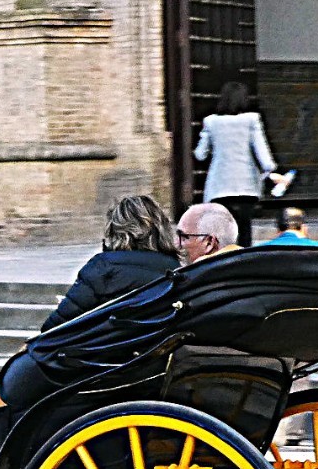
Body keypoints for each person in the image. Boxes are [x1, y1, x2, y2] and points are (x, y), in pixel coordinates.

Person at [38, 195, 181, 331]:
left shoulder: (102, 268)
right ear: (161, 229)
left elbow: (54, 327)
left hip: (104, 352)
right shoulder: (175, 269)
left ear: (114, 230)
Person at [193, 82, 282, 248]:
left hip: (220, 185)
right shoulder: (252, 120)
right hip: (246, 185)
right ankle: (244, 261)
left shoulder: (211, 122)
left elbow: (200, 154)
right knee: (245, 228)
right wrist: (270, 171)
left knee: (223, 230)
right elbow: (263, 154)